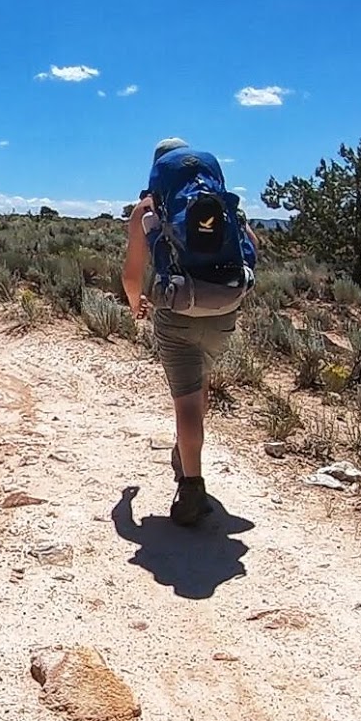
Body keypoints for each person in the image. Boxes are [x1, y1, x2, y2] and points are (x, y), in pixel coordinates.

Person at [122, 137, 259, 527]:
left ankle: (192, 486)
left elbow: (132, 275)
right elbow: (252, 249)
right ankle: (188, 457)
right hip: (225, 309)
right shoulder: (223, 207)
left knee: (185, 401)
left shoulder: (147, 210)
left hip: (177, 310)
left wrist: (137, 304)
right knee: (199, 388)